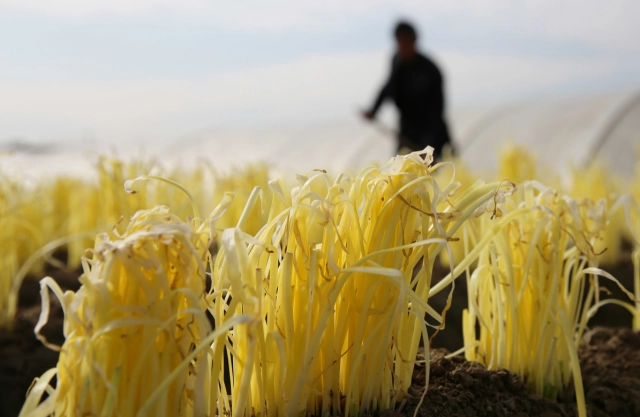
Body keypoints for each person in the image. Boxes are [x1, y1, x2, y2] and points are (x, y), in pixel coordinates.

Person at [362, 21, 453, 159]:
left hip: (432, 130)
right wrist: (374, 110)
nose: (402, 46)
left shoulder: (430, 70)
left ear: (414, 41)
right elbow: (388, 87)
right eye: (399, 42)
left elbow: (437, 111)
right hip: (407, 129)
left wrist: (429, 146)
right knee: (401, 170)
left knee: (440, 169)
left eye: (406, 42)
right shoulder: (397, 63)